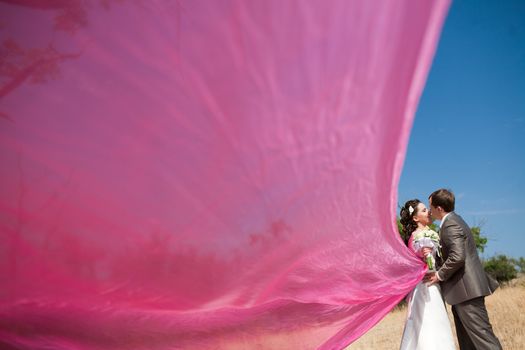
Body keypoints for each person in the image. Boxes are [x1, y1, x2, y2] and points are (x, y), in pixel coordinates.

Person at [424, 189, 501, 350]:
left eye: (430, 206)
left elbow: (458, 256)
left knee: (484, 340)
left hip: (467, 292)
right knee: (468, 343)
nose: (429, 210)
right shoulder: (452, 221)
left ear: (439, 208)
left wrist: (439, 275)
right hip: (461, 293)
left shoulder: (450, 224)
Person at [399, 199, 455, 350]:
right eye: (424, 210)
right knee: (427, 323)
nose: (428, 212)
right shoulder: (417, 237)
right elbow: (420, 251)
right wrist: (426, 254)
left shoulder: (429, 234)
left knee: (437, 322)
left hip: (432, 284)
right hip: (424, 286)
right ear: (415, 218)